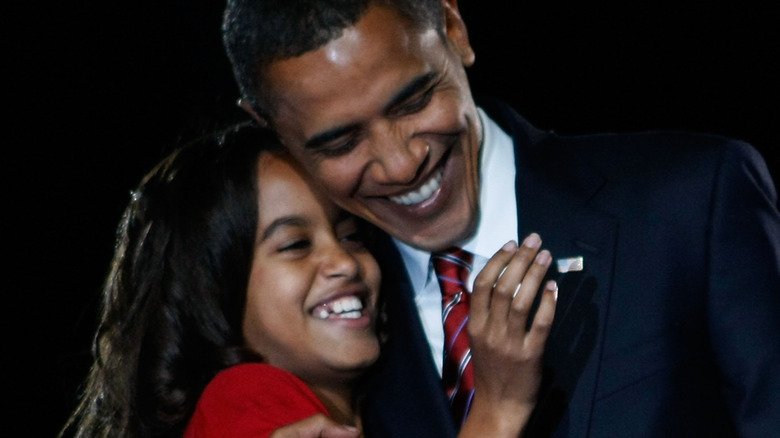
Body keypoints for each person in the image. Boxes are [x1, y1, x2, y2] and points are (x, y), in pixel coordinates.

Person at [221, 0, 780, 436]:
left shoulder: (690, 199)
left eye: (413, 102)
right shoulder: (320, 331)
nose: (400, 163)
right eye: (340, 141)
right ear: (269, 127)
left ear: (453, 28)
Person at [59, 122, 558, 438]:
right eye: (296, 245)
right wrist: (499, 406)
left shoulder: (367, 405)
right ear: (217, 289)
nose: (343, 261)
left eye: (352, 236)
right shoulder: (244, 398)